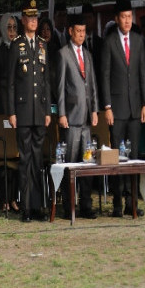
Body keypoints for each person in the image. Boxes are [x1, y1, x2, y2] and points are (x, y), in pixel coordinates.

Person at [101, 0, 145, 217]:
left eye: (130, 17)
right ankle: (118, 202)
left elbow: (142, 74)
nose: (127, 21)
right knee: (117, 158)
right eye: (123, 17)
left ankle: (132, 201)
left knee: (135, 156)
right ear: (117, 19)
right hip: (117, 109)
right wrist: (108, 106)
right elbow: (105, 75)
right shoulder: (109, 41)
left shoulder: (138, 41)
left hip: (135, 107)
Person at [7, 0, 51, 222]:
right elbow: (11, 83)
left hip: (39, 110)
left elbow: (46, 81)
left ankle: (37, 206)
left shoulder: (43, 45)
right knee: (25, 159)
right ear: (23, 20)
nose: (33, 21)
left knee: (37, 160)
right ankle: (25, 207)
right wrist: (12, 112)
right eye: (30, 18)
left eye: (36, 17)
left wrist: (48, 111)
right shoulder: (17, 45)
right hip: (23, 112)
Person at [56, 14, 99, 219]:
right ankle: (68, 205)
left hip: (86, 120)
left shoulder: (88, 55)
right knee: (70, 164)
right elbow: (60, 87)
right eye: (78, 31)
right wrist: (61, 113)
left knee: (87, 163)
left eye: (84, 31)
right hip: (71, 117)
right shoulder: (63, 54)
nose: (82, 35)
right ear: (70, 31)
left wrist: (95, 110)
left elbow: (92, 86)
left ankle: (86, 205)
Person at [0, 13, 18, 115]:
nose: (12, 30)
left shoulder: (20, 49)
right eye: (8, 27)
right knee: (7, 130)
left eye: (14, 27)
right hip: (4, 104)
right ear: (3, 28)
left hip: (20, 102)